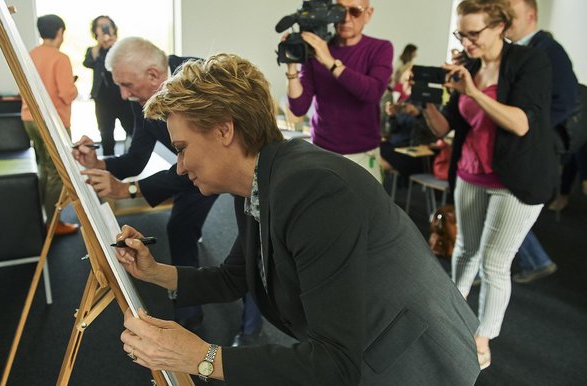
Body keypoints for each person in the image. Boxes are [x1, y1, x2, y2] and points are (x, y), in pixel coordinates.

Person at [115, 53, 480, 385]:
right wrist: (153, 272)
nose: (179, 167)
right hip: (366, 350)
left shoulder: (312, 188)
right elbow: (234, 277)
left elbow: (334, 364)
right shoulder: (263, 179)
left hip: (411, 361)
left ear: (224, 130)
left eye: (181, 149)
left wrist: (201, 358)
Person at [421, 0, 556, 370]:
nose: (466, 42)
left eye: (473, 34)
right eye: (460, 34)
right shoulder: (470, 66)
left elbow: (521, 123)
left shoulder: (530, 63)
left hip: (517, 180)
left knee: (495, 262)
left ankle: (481, 341)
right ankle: (452, 316)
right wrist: (422, 105)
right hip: (470, 173)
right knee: (464, 250)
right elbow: (443, 127)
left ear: (500, 27)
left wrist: (474, 92)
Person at [72, 37, 218, 330]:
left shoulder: (202, 81)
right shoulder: (144, 98)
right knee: (178, 228)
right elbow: (136, 159)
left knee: (254, 246)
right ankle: (189, 314)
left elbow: (203, 159)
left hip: (233, 166)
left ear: (153, 75)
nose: (124, 95)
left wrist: (128, 190)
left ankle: (251, 328)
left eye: (127, 85)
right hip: (190, 173)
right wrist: (98, 163)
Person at [505, 0, 578, 283]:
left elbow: (566, 100)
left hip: (535, 142)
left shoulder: (548, 50)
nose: (505, 19)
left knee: (515, 202)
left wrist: (534, 129)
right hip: (521, 139)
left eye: (511, 15)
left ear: (531, 15)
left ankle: (535, 260)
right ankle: (534, 259)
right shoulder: (519, 50)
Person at [284, 0, 393, 183]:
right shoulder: (316, 50)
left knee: (365, 211)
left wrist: (330, 61)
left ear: (369, 13)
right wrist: (291, 67)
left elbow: (372, 92)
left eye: (355, 12)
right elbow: (298, 107)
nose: (346, 18)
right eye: (339, 11)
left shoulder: (380, 48)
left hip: (363, 153)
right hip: (322, 150)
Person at [21, 14, 79, 236]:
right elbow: (66, 94)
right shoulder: (60, 58)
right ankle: (54, 223)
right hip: (52, 122)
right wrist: (74, 88)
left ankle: (45, 218)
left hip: (29, 119)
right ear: (60, 32)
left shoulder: (30, 55)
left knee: (45, 167)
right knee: (57, 171)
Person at [83, 16, 137, 156]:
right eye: (101, 26)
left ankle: (131, 157)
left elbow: (129, 61)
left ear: (113, 28)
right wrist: (100, 43)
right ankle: (108, 162)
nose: (105, 28)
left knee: (132, 129)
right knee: (106, 133)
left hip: (123, 97)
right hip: (102, 100)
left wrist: (114, 44)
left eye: (107, 25)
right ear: (95, 30)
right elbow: (88, 62)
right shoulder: (94, 50)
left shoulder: (121, 48)